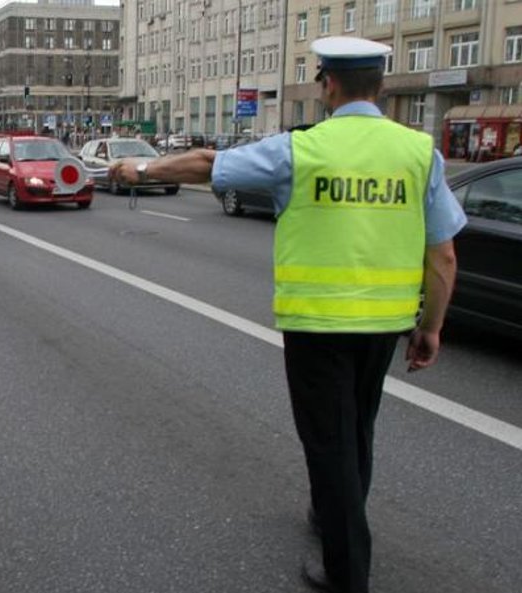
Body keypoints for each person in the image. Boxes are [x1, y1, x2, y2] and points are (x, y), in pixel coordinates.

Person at [109, 37, 466, 593]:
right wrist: (431, 327)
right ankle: (332, 517)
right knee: (356, 431)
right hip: (384, 327)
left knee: (328, 445)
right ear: (381, 87)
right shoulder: (419, 153)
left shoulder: (301, 149)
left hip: (317, 326)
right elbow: (442, 253)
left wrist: (139, 168)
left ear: (327, 84)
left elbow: (209, 164)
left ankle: (346, 572)